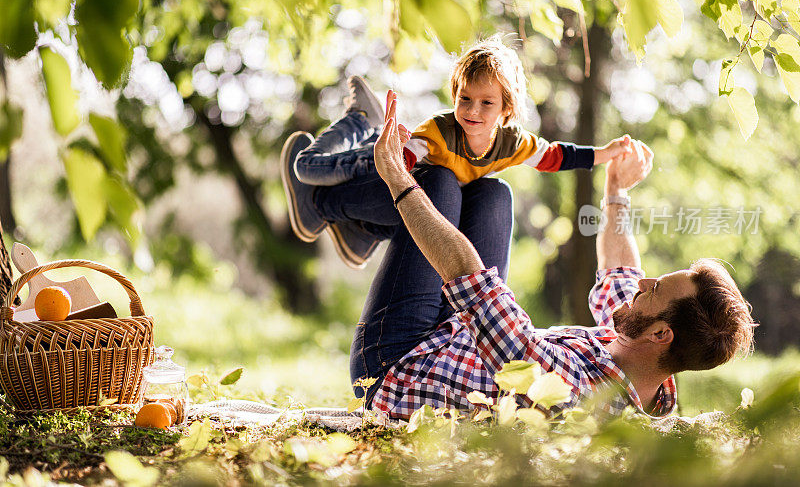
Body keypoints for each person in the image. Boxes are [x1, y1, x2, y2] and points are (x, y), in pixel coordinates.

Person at [331, 91, 754, 419]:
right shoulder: (642, 356)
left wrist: (397, 178)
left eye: (656, 289)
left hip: (398, 364)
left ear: (661, 334)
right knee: (493, 193)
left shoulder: (572, 394)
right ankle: (364, 226)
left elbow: (472, 284)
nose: (645, 282)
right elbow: (621, 273)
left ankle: (326, 205)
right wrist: (615, 191)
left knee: (436, 184)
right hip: (455, 333)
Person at [281, 35, 632, 268]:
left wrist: (606, 154)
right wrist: (396, 150)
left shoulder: (513, 142)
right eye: (465, 98)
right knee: (306, 168)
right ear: (455, 95)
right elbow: (400, 169)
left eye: (486, 103)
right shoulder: (438, 131)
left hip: (409, 188)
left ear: (506, 110)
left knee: (435, 215)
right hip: (374, 165)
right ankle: (360, 122)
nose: (472, 111)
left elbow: (556, 156)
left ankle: (360, 229)